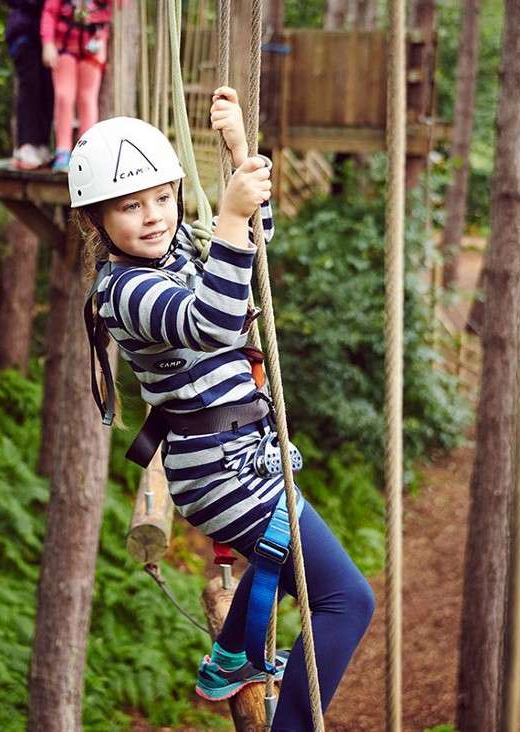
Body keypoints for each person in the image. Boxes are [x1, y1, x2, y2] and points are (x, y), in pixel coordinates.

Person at [70, 88, 376, 731]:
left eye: (161, 197)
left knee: (320, 584)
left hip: (241, 457)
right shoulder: (123, 290)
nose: (153, 216)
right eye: (129, 206)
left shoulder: (170, 247)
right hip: (220, 475)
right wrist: (231, 215)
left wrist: (241, 159)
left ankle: (233, 656)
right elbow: (210, 320)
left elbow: (249, 254)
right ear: (96, 220)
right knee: (346, 602)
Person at [41, 0, 112, 172]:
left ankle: (86, 152)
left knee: (87, 99)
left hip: (93, 45)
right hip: (65, 45)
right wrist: (47, 43)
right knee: (64, 97)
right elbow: (49, 12)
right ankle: (63, 151)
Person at [6, 0, 54, 169]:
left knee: (47, 90)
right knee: (30, 87)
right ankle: (26, 145)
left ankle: (41, 144)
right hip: (24, 34)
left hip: (49, 37)